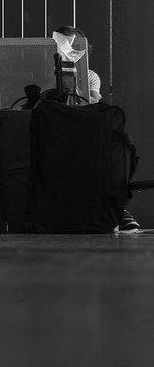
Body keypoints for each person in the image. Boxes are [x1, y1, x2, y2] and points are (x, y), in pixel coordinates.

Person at [53, 25, 140, 232]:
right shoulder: (45, 71)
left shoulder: (90, 75)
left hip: (82, 129)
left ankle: (115, 209)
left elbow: (91, 101)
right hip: (56, 129)